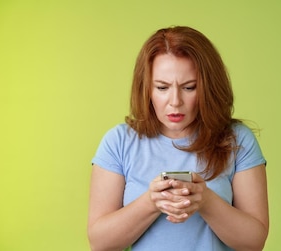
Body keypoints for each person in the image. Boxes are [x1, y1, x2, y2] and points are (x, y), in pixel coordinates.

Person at [87, 26, 268, 251]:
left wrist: (206, 201)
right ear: (147, 89)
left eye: (189, 87)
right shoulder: (118, 142)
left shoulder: (238, 140)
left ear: (208, 88)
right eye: (162, 87)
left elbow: (254, 242)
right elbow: (100, 243)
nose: (175, 101)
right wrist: (151, 202)